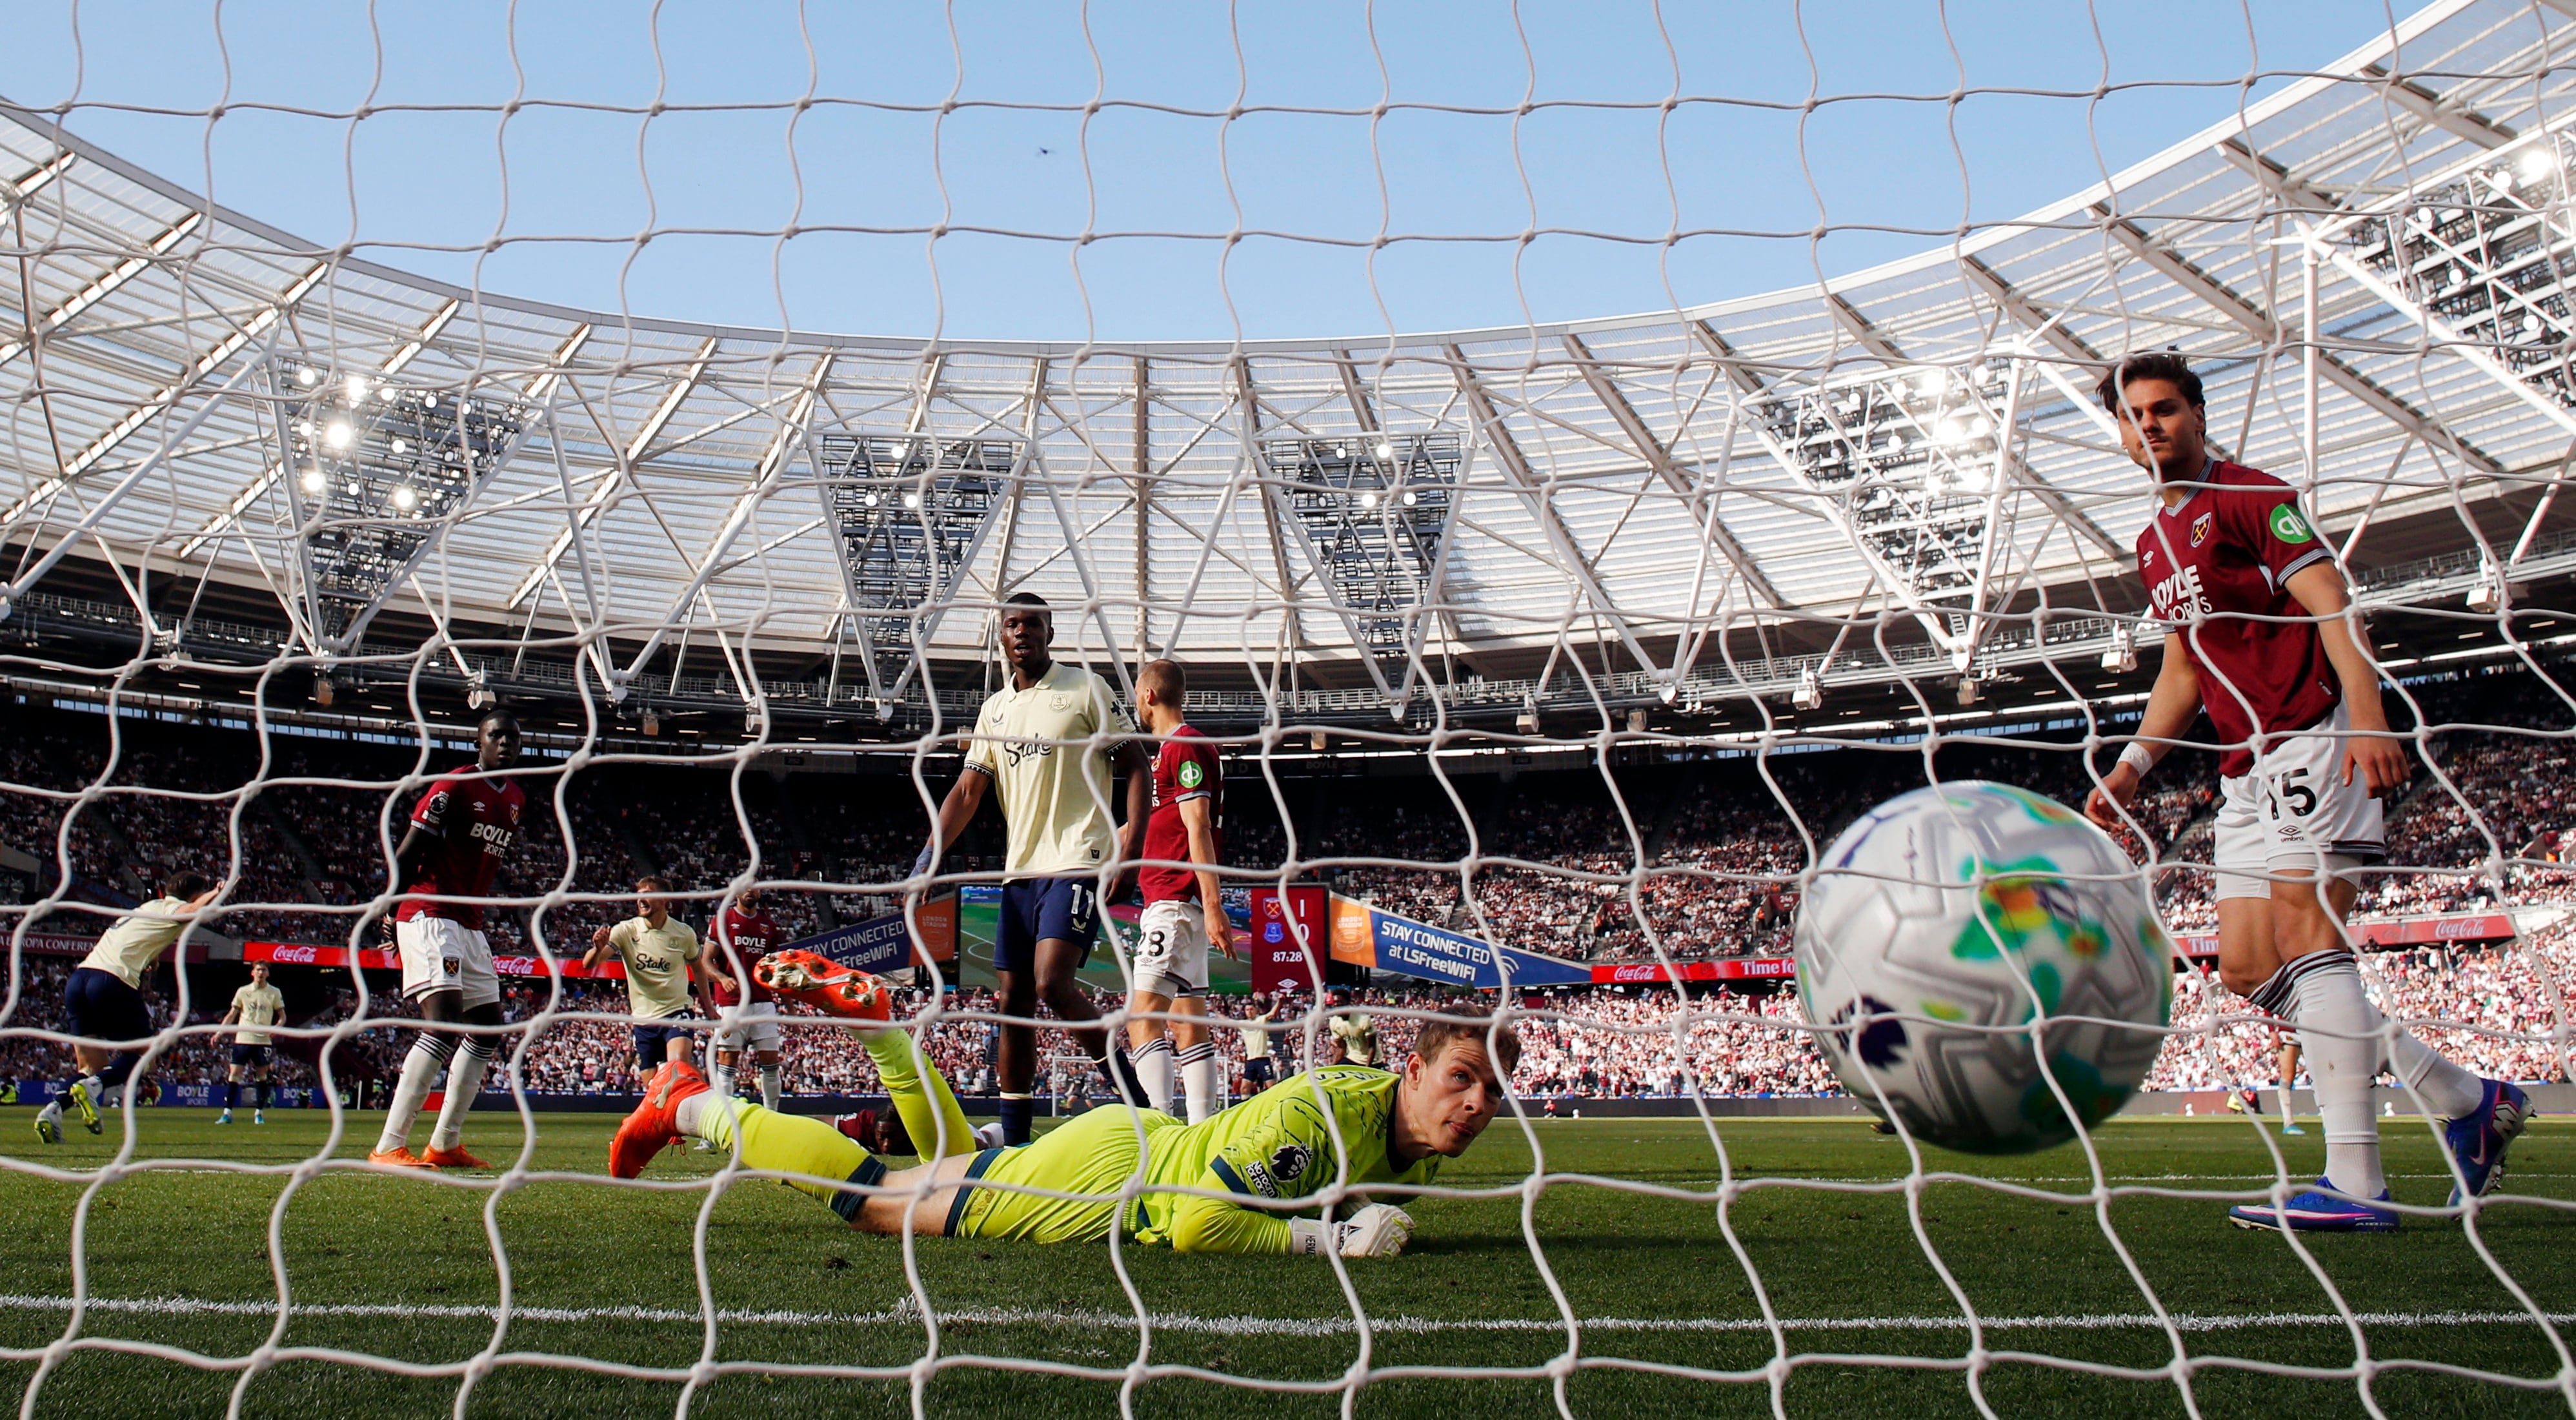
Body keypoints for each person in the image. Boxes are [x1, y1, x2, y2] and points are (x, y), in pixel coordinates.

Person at [2081, 353, 2526, 1232]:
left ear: (2197, 413)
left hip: (2313, 737)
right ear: (2122, 436)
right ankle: (2467, 1101)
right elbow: (2183, 664)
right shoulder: (2153, 541)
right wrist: (2132, 765)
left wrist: (2369, 717)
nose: (2152, 427)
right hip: (2242, 768)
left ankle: (2358, 1183)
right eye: (2134, 416)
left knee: (2305, 935)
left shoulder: (2252, 497)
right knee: (2250, 965)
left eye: (2165, 408)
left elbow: (2332, 602)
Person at [613, 949, 1516, 1257]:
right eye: (1460, 1079)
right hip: (1114, 1181)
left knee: (958, 1165)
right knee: (882, 1204)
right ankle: (693, 1104)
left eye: (1490, 1091)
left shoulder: (1401, 1130)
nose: (1474, 1104)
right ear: (1410, 1069)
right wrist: (1329, 1239)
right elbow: (1204, 1225)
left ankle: (888, 1033)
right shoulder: (1323, 1114)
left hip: (1133, 1148)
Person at [918, 593, 1151, 1144]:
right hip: (1019, 871)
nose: (1022, 632)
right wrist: (930, 856)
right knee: (1012, 1003)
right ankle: (1017, 1141)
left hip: (1079, 857)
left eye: (1033, 624)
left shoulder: (1086, 689)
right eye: (1012, 624)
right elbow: (968, 790)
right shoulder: (994, 710)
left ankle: (1139, 1101)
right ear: (1001, 635)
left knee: (1051, 983)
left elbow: (1137, 764)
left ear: (1051, 632)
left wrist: (1133, 845)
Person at [368, 707, 526, 1171]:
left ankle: (444, 1143)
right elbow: (409, 849)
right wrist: (389, 907)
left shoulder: (516, 797)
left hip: (469, 923)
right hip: (428, 911)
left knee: (487, 1025)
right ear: (479, 740)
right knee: (443, 1024)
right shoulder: (453, 786)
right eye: (496, 735)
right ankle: (389, 1145)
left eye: (513, 738)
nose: (505, 744)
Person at [1123, 659, 1237, 1124]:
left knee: (1140, 1017)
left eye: (1136, 692)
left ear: (1149, 696)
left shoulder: (1184, 746)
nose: (1135, 700)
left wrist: (1214, 907)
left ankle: (1158, 1125)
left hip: (1175, 902)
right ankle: (1201, 1128)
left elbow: (1198, 825)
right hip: (1174, 902)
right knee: (1189, 1023)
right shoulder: (1168, 754)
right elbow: (1151, 824)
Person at [34, 871, 219, 1143]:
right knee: (146, 1056)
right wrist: (217, 892)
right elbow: (191, 910)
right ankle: (92, 1088)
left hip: (79, 979)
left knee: (90, 1066)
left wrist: (151, 958)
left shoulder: (144, 909)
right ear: (194, 895)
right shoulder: (176, 909)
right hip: (112, 981)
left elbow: (138, 941)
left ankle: (53, 1111)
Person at [585, 878, 732, 1088]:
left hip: (677, 1010)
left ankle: (707, 1100)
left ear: (664, 900)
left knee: (677, 1063)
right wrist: (598, 948)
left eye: (647, 893)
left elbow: (698, 969)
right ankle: (678, 1109)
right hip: (643, 1020)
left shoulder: (683, 933)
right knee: (653, 1090)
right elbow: (589, 964)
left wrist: (708, 1007)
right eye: (638, 894)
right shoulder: (626, 930)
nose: (640, 899)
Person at [708, 885, 787, 1114]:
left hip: (763, 1002)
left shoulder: (769, 926)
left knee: (771, 1063)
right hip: (731, 1003)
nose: (750, 891)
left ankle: (772, 1118)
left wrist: (789, 1003)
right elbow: (705, 961)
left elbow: (775, 968)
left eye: (755, 888)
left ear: (760, 893)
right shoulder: (723, 920)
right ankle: (721, 1122)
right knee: (727, 1062)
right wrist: (722, 978)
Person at [217, 961, 285, 1125]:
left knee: (261, 1076)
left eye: (264, 970)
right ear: (252, 972)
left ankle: (259, 1113)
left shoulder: (274, 993)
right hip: (243, 1039)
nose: (261, 973)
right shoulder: (243, 991)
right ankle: (227, 1113)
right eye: (258, 970)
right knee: (234, 1075)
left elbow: (282, 1017)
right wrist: (220, 1031)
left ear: (268, 973)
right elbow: (232, 1014)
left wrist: (276, 1029)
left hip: (263, 1041)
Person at [1237, 1002, 1280, 1099]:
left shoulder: (1261, 1020)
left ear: (1256, 1010)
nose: (1250, 1012)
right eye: (1247, 1010)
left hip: (1262, 1058)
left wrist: (1279, 1002)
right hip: (1251, 1061)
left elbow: (1272, 1014)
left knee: (1271, 1086)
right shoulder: (1243, 1024)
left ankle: (1276, 1105)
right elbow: (1226, 1021)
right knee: (1244, 1088)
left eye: (1252, 1009)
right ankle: (1246, 1110)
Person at [1329, 994, 1378, 1068]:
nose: (1336, 1005)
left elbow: (1372, 1047)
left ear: (1348, 1003)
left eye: (1340, 1002)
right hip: (1353, 1059)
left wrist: (1366, 1069)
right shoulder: (1334, 1022)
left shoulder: (1363, 1020)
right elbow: (1341, 1048)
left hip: (1372, 1061)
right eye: (1335, 1002)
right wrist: (1331, 1067)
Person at [2275, 1031, 2308, 1137]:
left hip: (2311, 1028)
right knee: (2288, 1075)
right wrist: (2271, 1031)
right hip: (2289, 1031)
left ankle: (2327, 1123)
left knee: (2320, 1074)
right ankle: (2288, 1122)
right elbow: (2268, 1013)